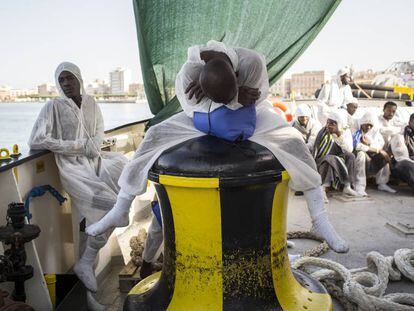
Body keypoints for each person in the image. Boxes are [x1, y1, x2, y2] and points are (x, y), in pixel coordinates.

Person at [86, 40, 349, 253]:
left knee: (293, 141)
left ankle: (319, 218)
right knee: (153, 136)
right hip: (200, 114)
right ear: (199, 79)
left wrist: (235, 99)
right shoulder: (187, 73)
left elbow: (257, 97)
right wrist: (224, 100)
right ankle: (121, 208)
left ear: (236, 74)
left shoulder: (252, 62)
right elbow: (190, 107)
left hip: (250, 113)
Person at [28, 62, 127, 309]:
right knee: (108, 210)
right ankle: (87, 272)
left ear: (79, 78)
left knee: (126, 178)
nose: (65, 84)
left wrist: (91, 145)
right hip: (73, 171)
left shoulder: (92, 103)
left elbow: (98, 132)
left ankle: (87, 273)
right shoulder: (53, 106)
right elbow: (36, 139)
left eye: (69, 78)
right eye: (61, 80)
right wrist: (74, 147)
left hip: (96, 164)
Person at [313, 110, 360, 202]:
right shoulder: (322, 132)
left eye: (333, 123)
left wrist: (338, 135)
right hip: (321, 159)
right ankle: (322, 190)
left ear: (340, 123)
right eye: (328, 122)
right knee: (330, 158)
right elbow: (316, 149)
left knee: (350, 156)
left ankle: (347, 186)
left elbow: (349, 149)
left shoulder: (345, 131)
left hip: (337, 158)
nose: (329, 125)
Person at [353, 112, 395, 196]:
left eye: (371, 125)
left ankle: (382, 183)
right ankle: (359, 187)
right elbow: (356, 146)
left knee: (385, 155)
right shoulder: (357, 131)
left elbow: (381, 143)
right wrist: (375, 150)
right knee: (361, 154)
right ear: (362, 123)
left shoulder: (374, 131)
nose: (368, 127)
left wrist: (370, 145)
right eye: (366, 124)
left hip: (371, 155)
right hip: (360, 156)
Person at [391, 113, 414, 190]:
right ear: (410, 122)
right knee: (406, 165)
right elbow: (401, 157)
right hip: (404, 162)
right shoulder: (400, 135)